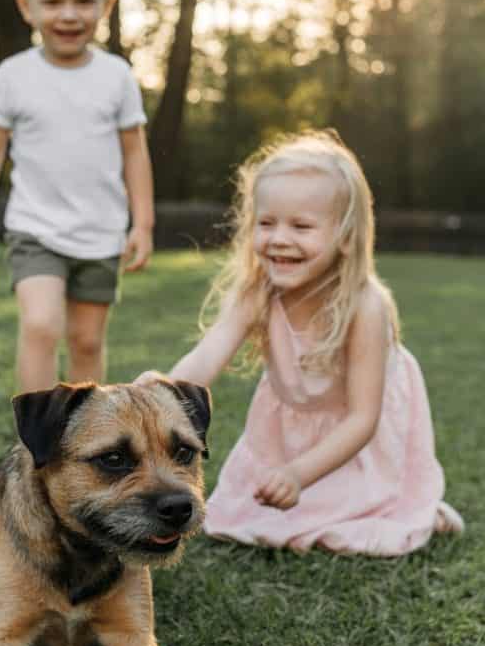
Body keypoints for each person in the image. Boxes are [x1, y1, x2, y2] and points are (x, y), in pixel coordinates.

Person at [139, 129, 463, 556]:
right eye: (267, 222)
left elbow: (363, 420)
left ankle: (419, 509)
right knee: (240, 521)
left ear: (346, 236)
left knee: (360, 530)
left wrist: (297, 475)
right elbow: (208, 356)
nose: (280, 239)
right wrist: (161, 391)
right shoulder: (257, 291)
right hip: (288, 428)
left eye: (302, 226)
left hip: (354, 428)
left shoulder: (366, 306)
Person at [0, 0, 154, 391]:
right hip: (35, 229)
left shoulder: (116, 77)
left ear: (107, 4)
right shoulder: (13, 76)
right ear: (26, 5)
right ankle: (37, 446)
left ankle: (83, 445)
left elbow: (135, 153)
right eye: (53, 2)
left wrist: (141, 224)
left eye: (84, 1)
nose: (68, 14)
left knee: (86, 341)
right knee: (41, 326)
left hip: (100, 233)